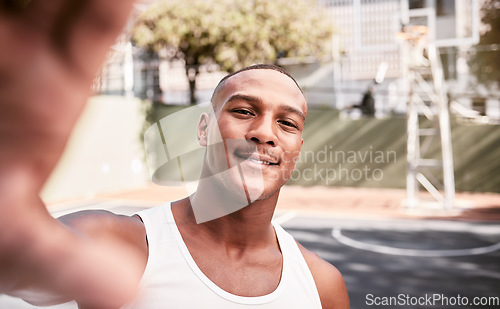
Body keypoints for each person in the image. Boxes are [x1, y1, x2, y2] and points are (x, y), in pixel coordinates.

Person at [0, 1, 349, 308]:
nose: (264, 132)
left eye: (287, 123)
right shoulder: (122, 241)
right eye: (243, 111)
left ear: (297, 149)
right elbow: (32, 264)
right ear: (203, 130)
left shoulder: (322, 286)